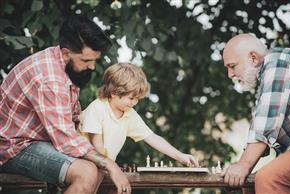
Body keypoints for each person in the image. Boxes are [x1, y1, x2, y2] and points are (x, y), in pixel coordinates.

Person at [0, 16, 131, 194]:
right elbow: (65, 138)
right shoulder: (50, 78)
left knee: (97, 168)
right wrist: (109, 163)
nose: (92, 67)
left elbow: (73, 118)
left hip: (38, 141)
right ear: (66, 53)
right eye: (86, 61)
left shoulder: (66, 65)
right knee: (86, 173)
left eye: (95, 60)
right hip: (12, 147)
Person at [221, 33, 290, 194]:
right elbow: (260, 141)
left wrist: (243, 165)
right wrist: (239, 167)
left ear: (253, 58)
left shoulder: (279, 61)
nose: (230, 75)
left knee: (269, 179)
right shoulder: (266, 80)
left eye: (232, 66)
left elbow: (266, 125)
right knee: (250, 184)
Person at [80, 63, 199, 167]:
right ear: (113, 93)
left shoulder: (129, 113)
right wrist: (111, 167)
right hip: (84, 162)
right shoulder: (97, 108)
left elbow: (151, 138)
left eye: (137, 99)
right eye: (131, 98)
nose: (135, 102)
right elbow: (97, 144)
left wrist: (180, 156)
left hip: (103, 164)